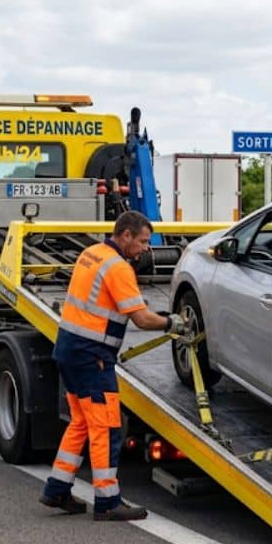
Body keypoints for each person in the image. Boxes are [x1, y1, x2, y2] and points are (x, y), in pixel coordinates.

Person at [40, 210, 190, 521]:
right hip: (92, 358)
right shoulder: (119, 268)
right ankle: (108, 502)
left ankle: (56, 490)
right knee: (106, 428)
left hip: (69, 350)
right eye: (143, 242)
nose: (146, 248)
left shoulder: (91, 253)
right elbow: (142, 319)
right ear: (126, 235)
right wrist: (172, 323)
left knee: (80, 423)